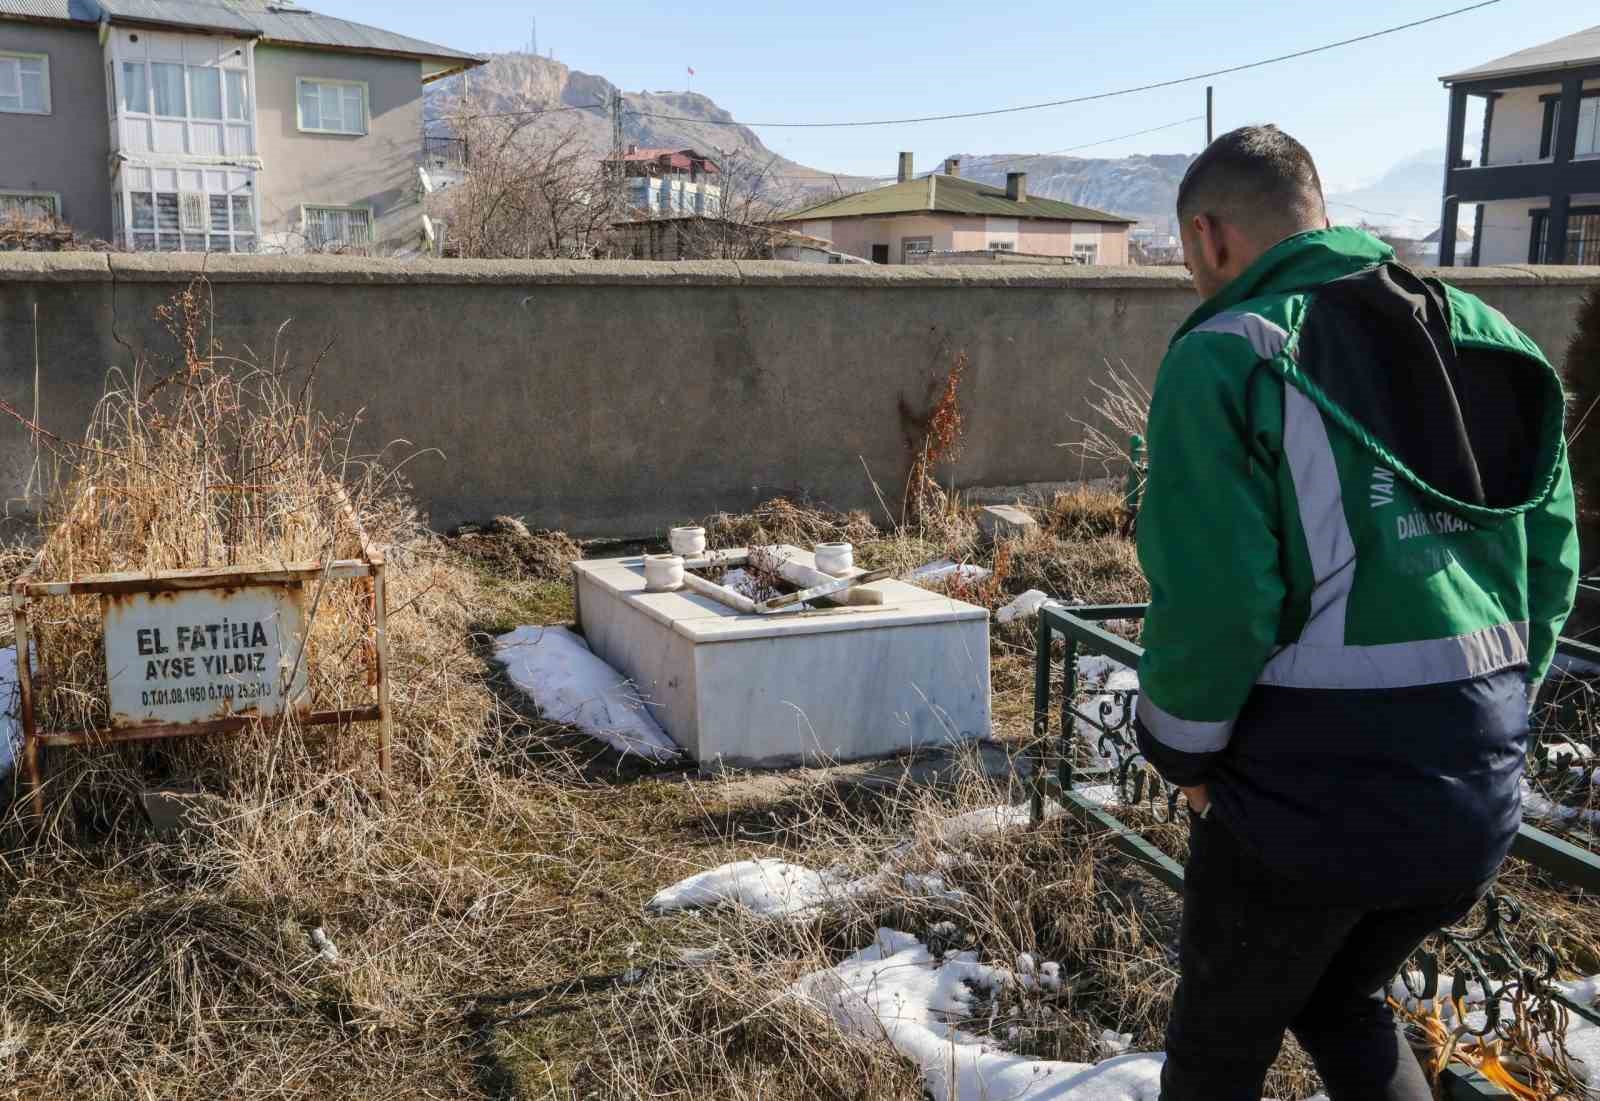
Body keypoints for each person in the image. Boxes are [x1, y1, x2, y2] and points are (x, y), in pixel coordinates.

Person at [1132, 125, 1579, 1100]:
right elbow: (1549, 567)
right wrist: (1491, 713)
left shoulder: (1230, 353)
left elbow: (1216, 599)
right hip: (1475, 793)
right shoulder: (1493, 339)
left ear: (1207, 237)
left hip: (1306, 800)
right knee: (1339, 999)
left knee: (1216, 1057)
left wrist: (1181, 756)